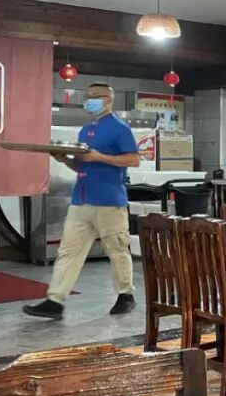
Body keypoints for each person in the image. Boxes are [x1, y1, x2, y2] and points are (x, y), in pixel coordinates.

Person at [24, 83, 141, 320]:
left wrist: (100, 157)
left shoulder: (120, 128)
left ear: (108, 99)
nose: (89, 100)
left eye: (94, 96)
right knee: (68, 250)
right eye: (87, 96)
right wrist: (64, 159)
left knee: (116, 248)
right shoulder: (85, 130)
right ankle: (55, 300)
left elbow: (134, 159)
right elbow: (82, 166)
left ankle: (126, 294)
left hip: (109, 200)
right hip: (81, 199)